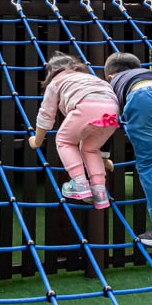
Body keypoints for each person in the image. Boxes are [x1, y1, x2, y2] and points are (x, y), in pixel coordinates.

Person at [103, 51, 152, 248]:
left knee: (147, 166)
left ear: (111, 76)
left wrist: (103, 154)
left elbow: (107, 121)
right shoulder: (145, 74)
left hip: (143, 99)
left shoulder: (112, 84)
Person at [28, 54, 119, 209]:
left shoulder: (56, 82)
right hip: (112, 110)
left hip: (87, 106)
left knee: (64, 141)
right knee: (91, 149)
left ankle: (80, 184)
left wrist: (37, 140)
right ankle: (99, 191)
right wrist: (104, 158)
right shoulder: (91, 78)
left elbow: (46, 115)